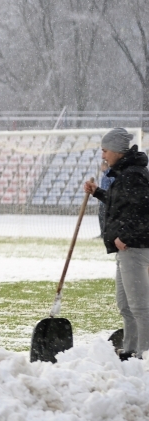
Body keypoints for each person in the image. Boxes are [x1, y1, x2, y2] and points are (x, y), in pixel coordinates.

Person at [84, 128, 149, 360]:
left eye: (105, 150)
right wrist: (98, 192)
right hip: (126, 250)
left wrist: (125, 237)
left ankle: (144, 354)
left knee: (139, 305)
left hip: (134, 248)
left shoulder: (133, 175)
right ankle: (130, 349)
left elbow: (143, 210)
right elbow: (121, 203)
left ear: (116, 150)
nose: (103, 155)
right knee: (125, 305)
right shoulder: (126, 173)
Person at [97, 159, 114, 238]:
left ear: (104, 166)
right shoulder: (105, 175)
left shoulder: (109, 175)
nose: (100, 167)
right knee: (101, 217)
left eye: (101, 165)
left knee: (104, 217)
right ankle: (102, 233)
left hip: (106, 200)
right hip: (103, 200)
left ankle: (105, 234)